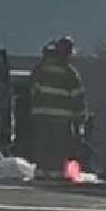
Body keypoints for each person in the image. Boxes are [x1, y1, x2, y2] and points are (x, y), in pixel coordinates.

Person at [29, 35, 86, 178]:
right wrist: (80, 120)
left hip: (41, 115)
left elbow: (32, 90)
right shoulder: (69, 72)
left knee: (43, 144)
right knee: (58, 146)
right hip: (61, 117)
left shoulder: (41, 69)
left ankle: (41, 171)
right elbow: (78, 97)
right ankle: (56, 173)